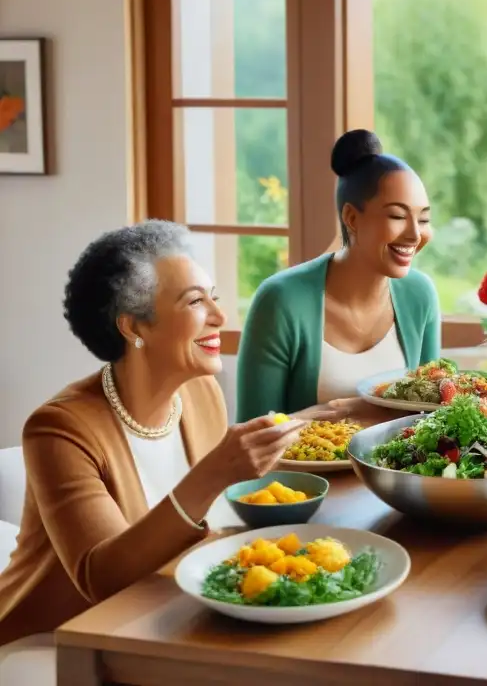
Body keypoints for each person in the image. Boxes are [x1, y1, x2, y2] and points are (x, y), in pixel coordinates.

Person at [0, 222, 304, 682]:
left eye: (214, 296)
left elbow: (207, 533)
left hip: (163, 618)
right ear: (134, 326)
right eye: (196, 301)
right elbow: (102, 578)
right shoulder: (57, 429)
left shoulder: (202, 391)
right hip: (63, 640)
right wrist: (215, 474)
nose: (220, 316)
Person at [235, 129, 440, 421]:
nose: (414, 234)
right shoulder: (281, 301)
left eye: (423, 219)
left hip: (393, 468)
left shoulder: (419, 295)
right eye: (397, 216)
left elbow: (431, 415)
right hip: (301, 468)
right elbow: (252, 437)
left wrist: (350, 410)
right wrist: (354, 411)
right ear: (351, 218)